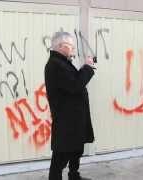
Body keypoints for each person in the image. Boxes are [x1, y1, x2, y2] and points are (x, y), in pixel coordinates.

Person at [45, 31, 95, 180]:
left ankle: (74, 176)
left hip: (73, 120)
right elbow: (74, 85)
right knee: (60, 158)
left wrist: (84, 69)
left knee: (75, 151)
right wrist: (87, 68)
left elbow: (73, 82)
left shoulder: (63, 63)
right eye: (71, 47)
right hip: (66, 122)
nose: (73, 50)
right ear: (61, 46)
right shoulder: (55, 65)